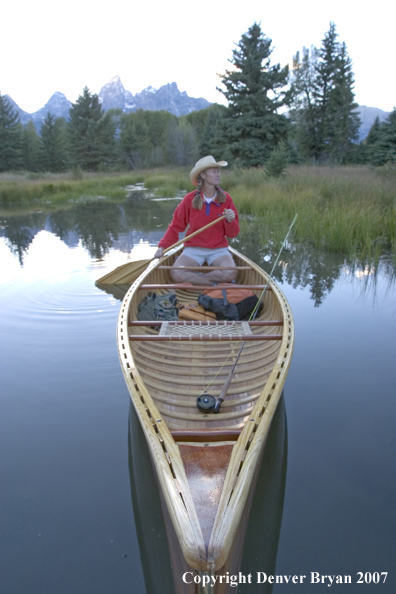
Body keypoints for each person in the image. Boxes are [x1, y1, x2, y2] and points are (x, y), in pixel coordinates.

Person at [153, 156, 240, 285]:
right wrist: (162, 247)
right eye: (214, 171)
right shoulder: (189, 199)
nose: (218, 175)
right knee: (176, 272)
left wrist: (230, 221)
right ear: (203, 175)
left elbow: (233, 234)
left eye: (218, 171)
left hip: (218, 249)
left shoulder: (226, 199)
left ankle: (197, 279)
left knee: (231, 272)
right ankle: (210, 284)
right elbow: (175, 227)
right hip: (193, 249)